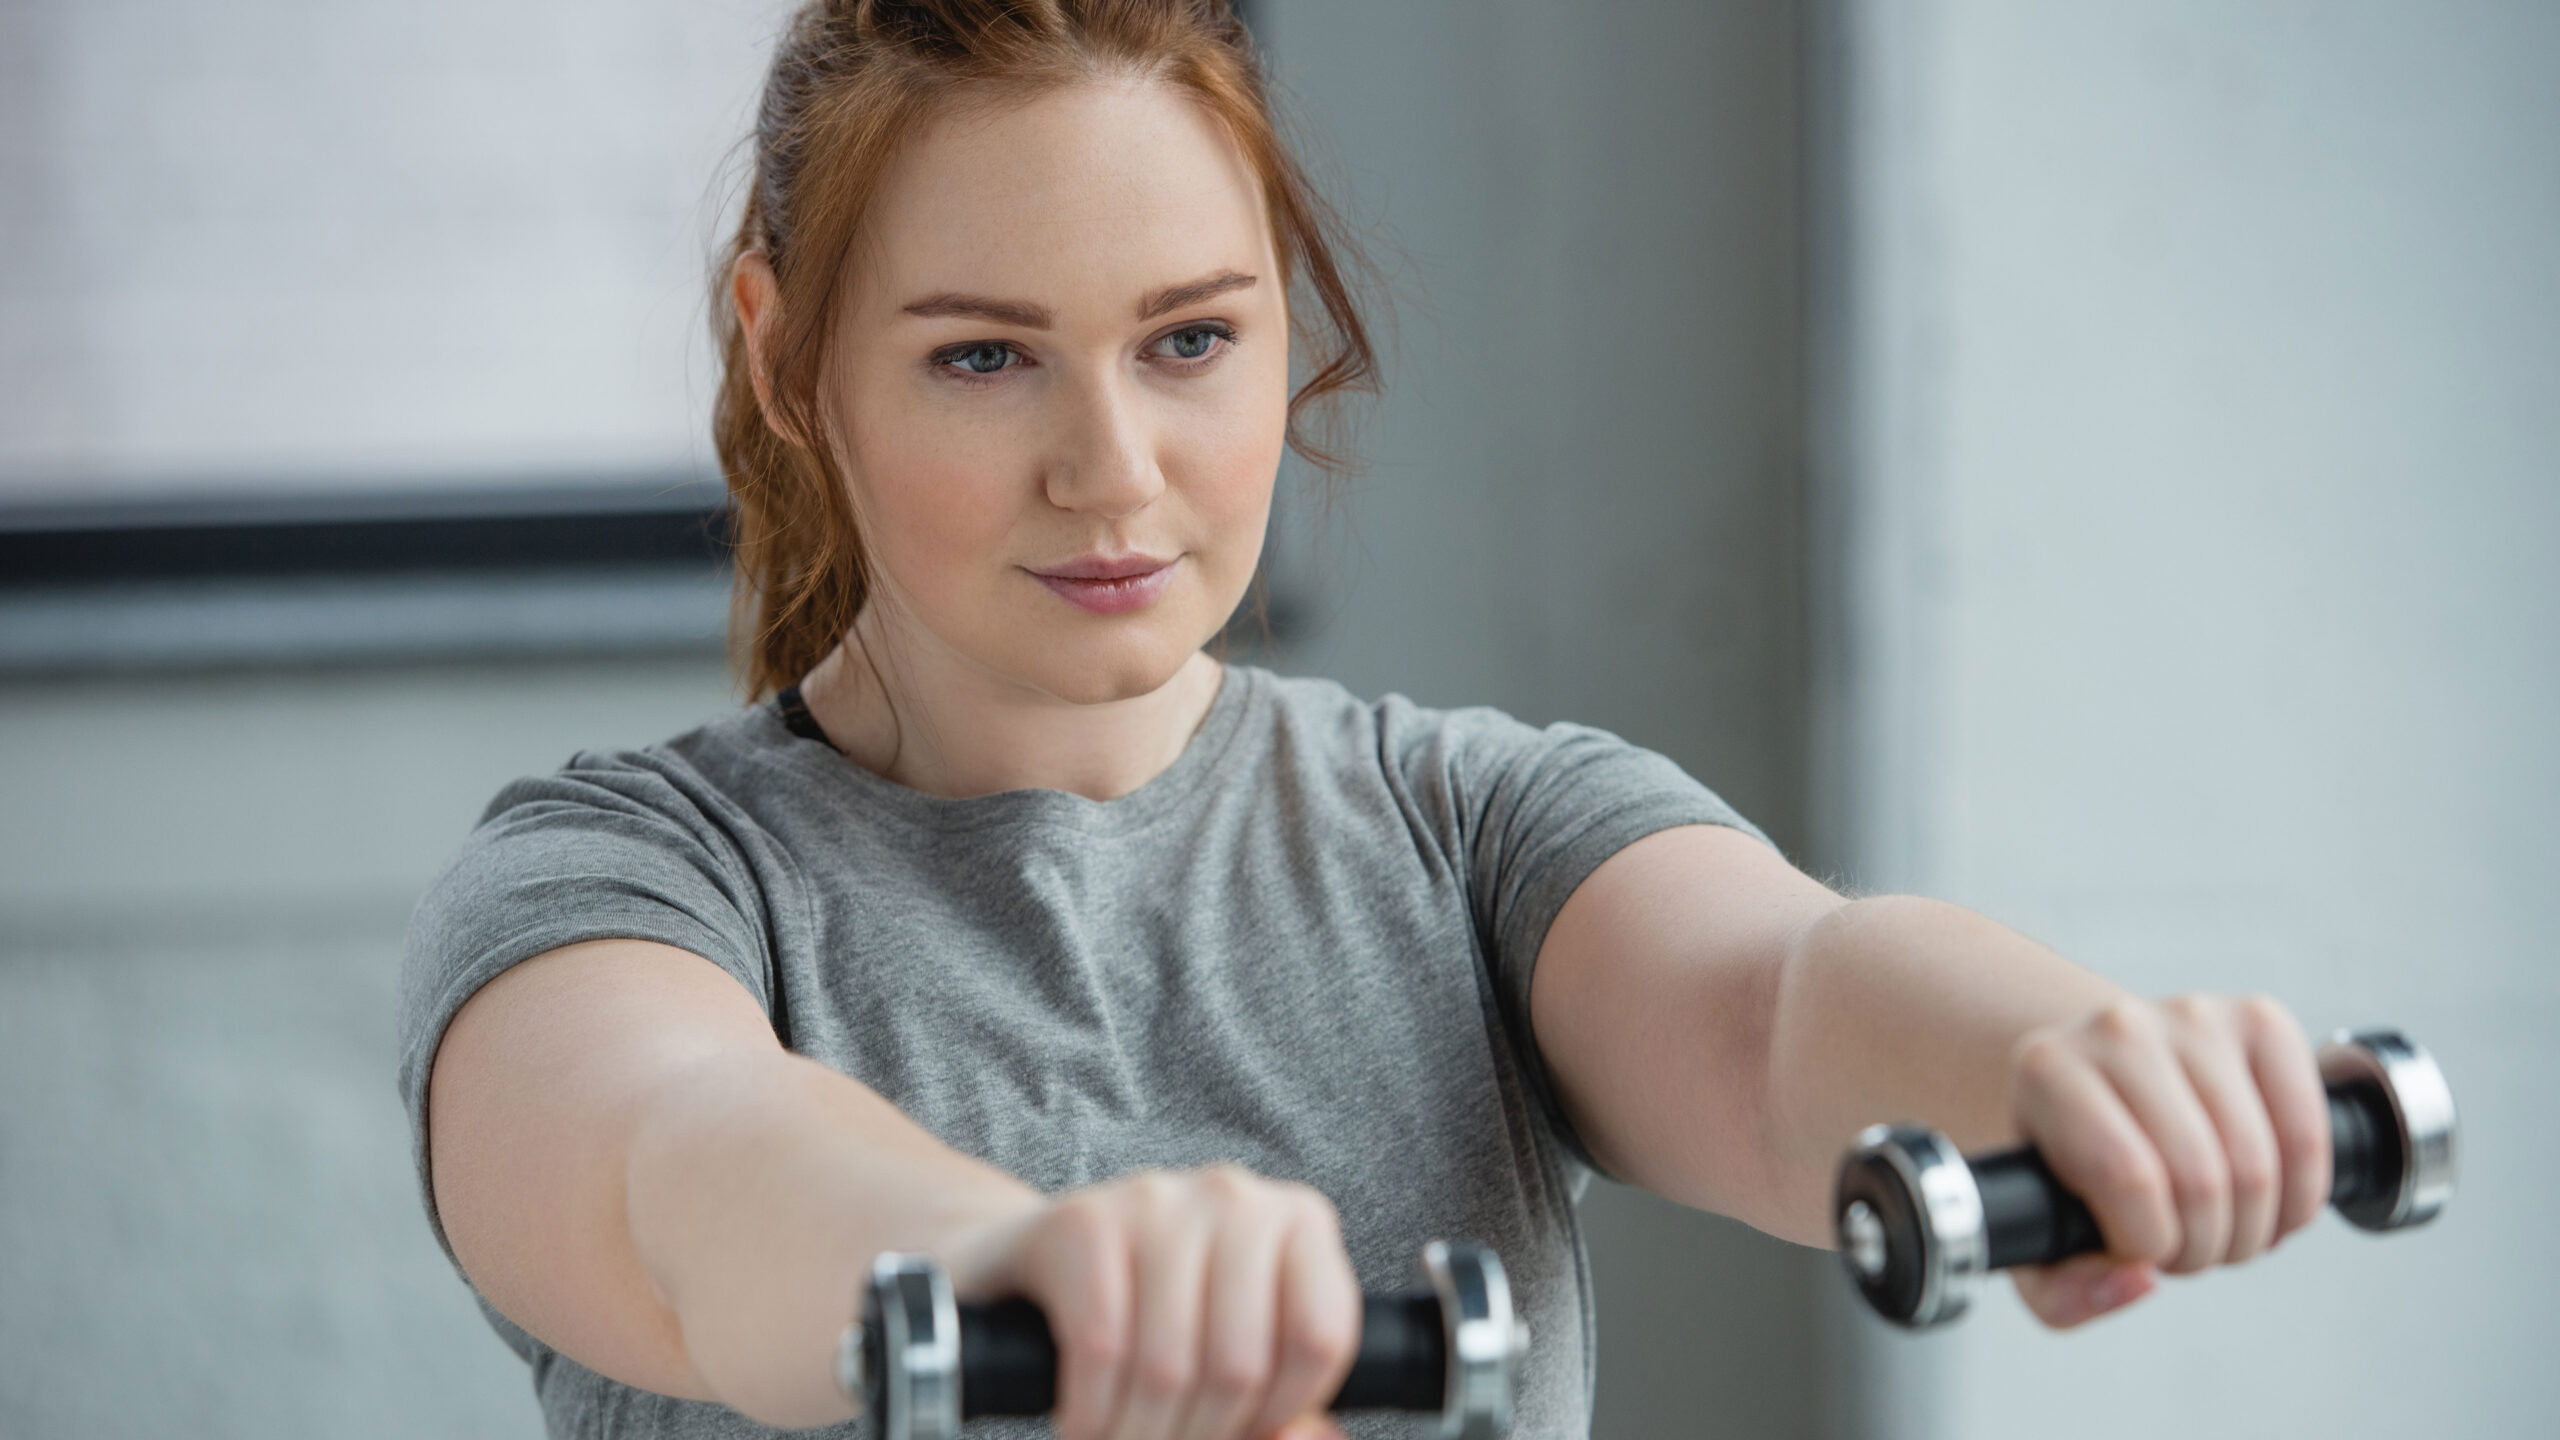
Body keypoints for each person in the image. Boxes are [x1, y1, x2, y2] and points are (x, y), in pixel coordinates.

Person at [399, 4, 2337, 1438]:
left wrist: (2068, 1064)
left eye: (1187, 342)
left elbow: (1780, 1006)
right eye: (982, 358)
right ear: (786, 358)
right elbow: (671, 1172)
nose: (1111, 468)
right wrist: (1010, 1270)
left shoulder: (1470, 827)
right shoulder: (618, 884)